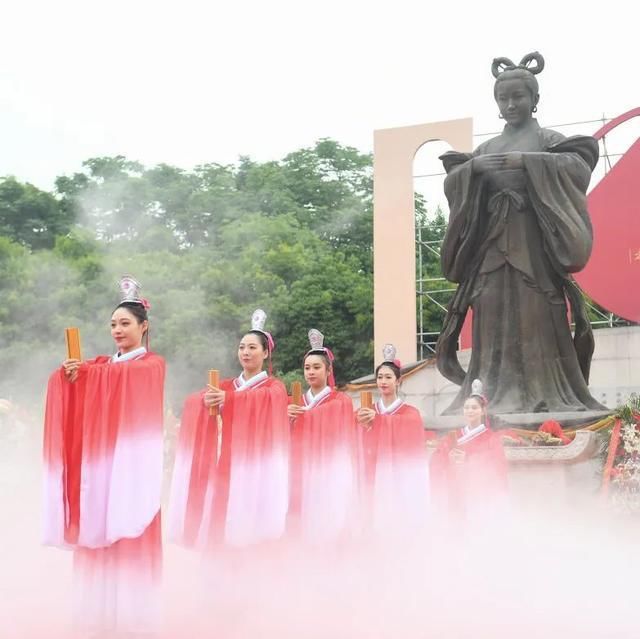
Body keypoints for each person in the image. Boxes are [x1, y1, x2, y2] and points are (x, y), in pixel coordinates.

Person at [436, 52, 604, 415]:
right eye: (503, 98)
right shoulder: (486, 150)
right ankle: (488, 396)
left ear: (534, 99)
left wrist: (528, 161)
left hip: (534, 248)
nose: (511, 104)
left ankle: (547, 395)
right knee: (492, 317)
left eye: (518, 97)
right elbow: (454, 181)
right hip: (492, 250)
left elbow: (577, 166)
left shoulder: (548, 140)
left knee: (537, 316)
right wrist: (474, 170)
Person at [43, 275, 165, 637]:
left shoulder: (150, 364)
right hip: (100, 466)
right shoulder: (102, 364)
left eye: (125, 323)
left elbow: (119, 380)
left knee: (127, 529)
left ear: (144, 327)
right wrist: (69, 377)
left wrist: (89, 374)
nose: (117, 329)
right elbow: (85, 378)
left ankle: (132, 621)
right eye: (113, 324)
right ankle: (95, 619)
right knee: (97, 521)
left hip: (130, 470)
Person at [169, 309, 289, 550]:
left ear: (266, 352)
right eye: (242, 347)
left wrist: (230, 400)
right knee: (220, 519)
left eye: (253, 347)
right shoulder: (226, 385)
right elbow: (196, 399)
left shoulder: (274, 387)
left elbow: (268, 400)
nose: (245, 352)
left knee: (250, 526)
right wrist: (205, 402)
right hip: (224, 463)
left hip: (256, 466)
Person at [287, 329, 356, 544]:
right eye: (307, 368)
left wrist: (304, 416)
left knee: (327, 518)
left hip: (328, 469)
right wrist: (284, 418)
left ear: (328, 370)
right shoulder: (293, 401)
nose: (311, 372)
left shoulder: (340, 400)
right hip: (299, 467)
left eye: (317, 367)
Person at [356, 344, 430, 535]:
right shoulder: (367, 410)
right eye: (380, 377)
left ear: (399, 380)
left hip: (398, 472)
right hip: (372, 469)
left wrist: (379, 421)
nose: (383, 381)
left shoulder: (410, 413)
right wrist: (360, 426)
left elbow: (412, 440)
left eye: (388, 377)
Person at [431, 379, 508, 528]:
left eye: (474, 407)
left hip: (479, 494)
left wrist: (468, 459)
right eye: (466, 407)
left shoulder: (491, 438)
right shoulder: (453, 436)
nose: (470, 411)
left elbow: (497, 466)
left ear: (483, 411)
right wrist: (447, 458)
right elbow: (436, 459)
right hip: (456, 490)